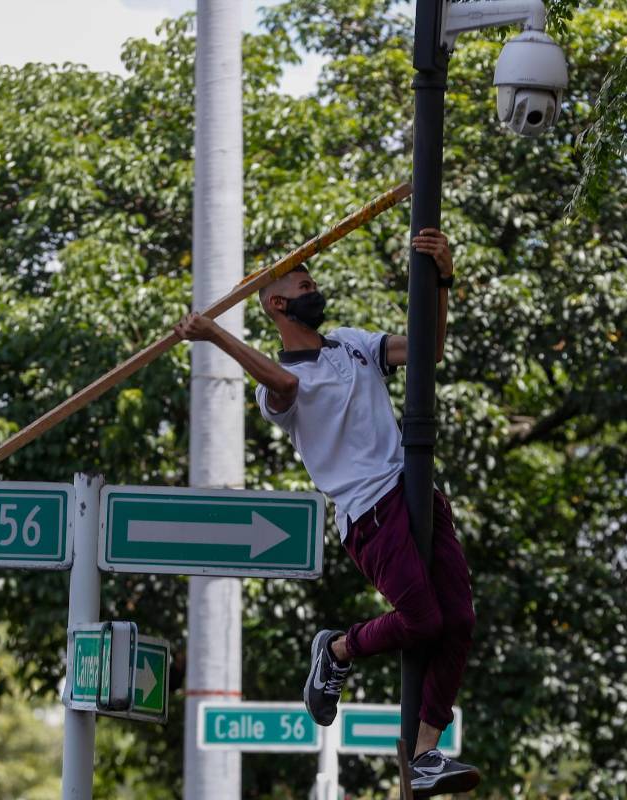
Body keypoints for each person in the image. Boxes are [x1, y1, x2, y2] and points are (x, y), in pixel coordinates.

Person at [175, 228, 479, 797]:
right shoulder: (276, 392)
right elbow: (285, 379)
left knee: (458, 621)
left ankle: (425, 754)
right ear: (276, 304)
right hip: (369, 513)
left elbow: (427, 350)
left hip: (416, 490)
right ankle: (336, 649)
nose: (313, 287)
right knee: (423, 622)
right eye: (301, 282)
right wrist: (215, 334)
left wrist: (443, 278)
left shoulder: (349, 343)